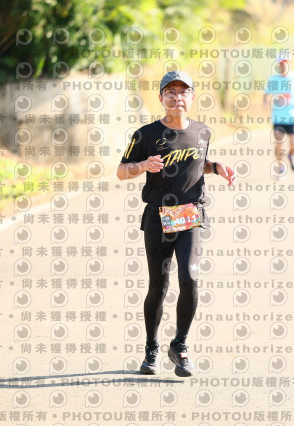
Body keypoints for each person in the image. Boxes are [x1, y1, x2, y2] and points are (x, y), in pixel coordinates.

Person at [117, 70, 236, 377]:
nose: (176, 97)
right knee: (158, 286)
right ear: (161, 97)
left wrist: (216, 167)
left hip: (191, 215)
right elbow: (121, 171)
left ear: (192, 97)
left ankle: (179, 346)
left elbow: (196, 164)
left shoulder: (202, 132)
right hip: (158, 216)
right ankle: (151, 348)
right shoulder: (145, 134)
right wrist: (143, 165)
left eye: (183, 92)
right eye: (170, 92)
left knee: (190, 279)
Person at [263, 52, 294, 176]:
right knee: (279, 143)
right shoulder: (273, 79)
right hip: (278, 117)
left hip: (292, 116)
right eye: (281, 64)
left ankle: (292, 156)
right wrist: (265, 102)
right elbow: (266, 94)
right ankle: (280, 167)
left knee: (293, 144)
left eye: (285, 63)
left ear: (289, 63)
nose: (283, 66)